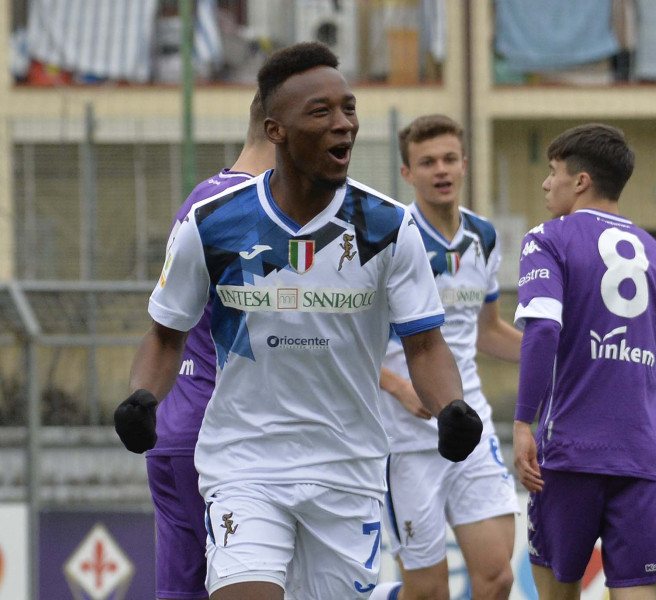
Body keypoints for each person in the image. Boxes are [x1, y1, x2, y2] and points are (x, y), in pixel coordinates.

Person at [114, 42, 483, 600]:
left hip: (348, 471)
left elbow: (426, 347)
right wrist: (143, 397)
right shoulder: (213, 224)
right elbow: (166, 336)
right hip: (244, 466)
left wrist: (451, 407)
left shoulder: (387, 227)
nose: (344, 126)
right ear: (276, 129)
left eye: (349, 109)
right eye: (322, 113)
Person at [512, 123, 656, 600]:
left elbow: (543, 330)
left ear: (581, 181)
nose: (546, 183)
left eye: (553, 172)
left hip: (569, 454)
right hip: (641, 459)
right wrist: (636, 425)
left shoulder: (547, 238)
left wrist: (521, 424)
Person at [370, 115, 521, 600]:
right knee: (428, 593)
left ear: (464, 164)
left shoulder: (484, 237)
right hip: (406, 442)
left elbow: (488, 332)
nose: (441, 170)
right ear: (407, 173)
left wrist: (567, 356)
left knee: (497, 578)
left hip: (469, 426)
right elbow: (345, 344)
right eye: (427, 161)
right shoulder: (389, 238)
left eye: (449, 159)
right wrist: (399, 385)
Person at [144, 91, 275, 600]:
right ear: (276, 129)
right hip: (210, 430)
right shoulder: (242, 209)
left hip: (187, 426)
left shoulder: (208, 195)